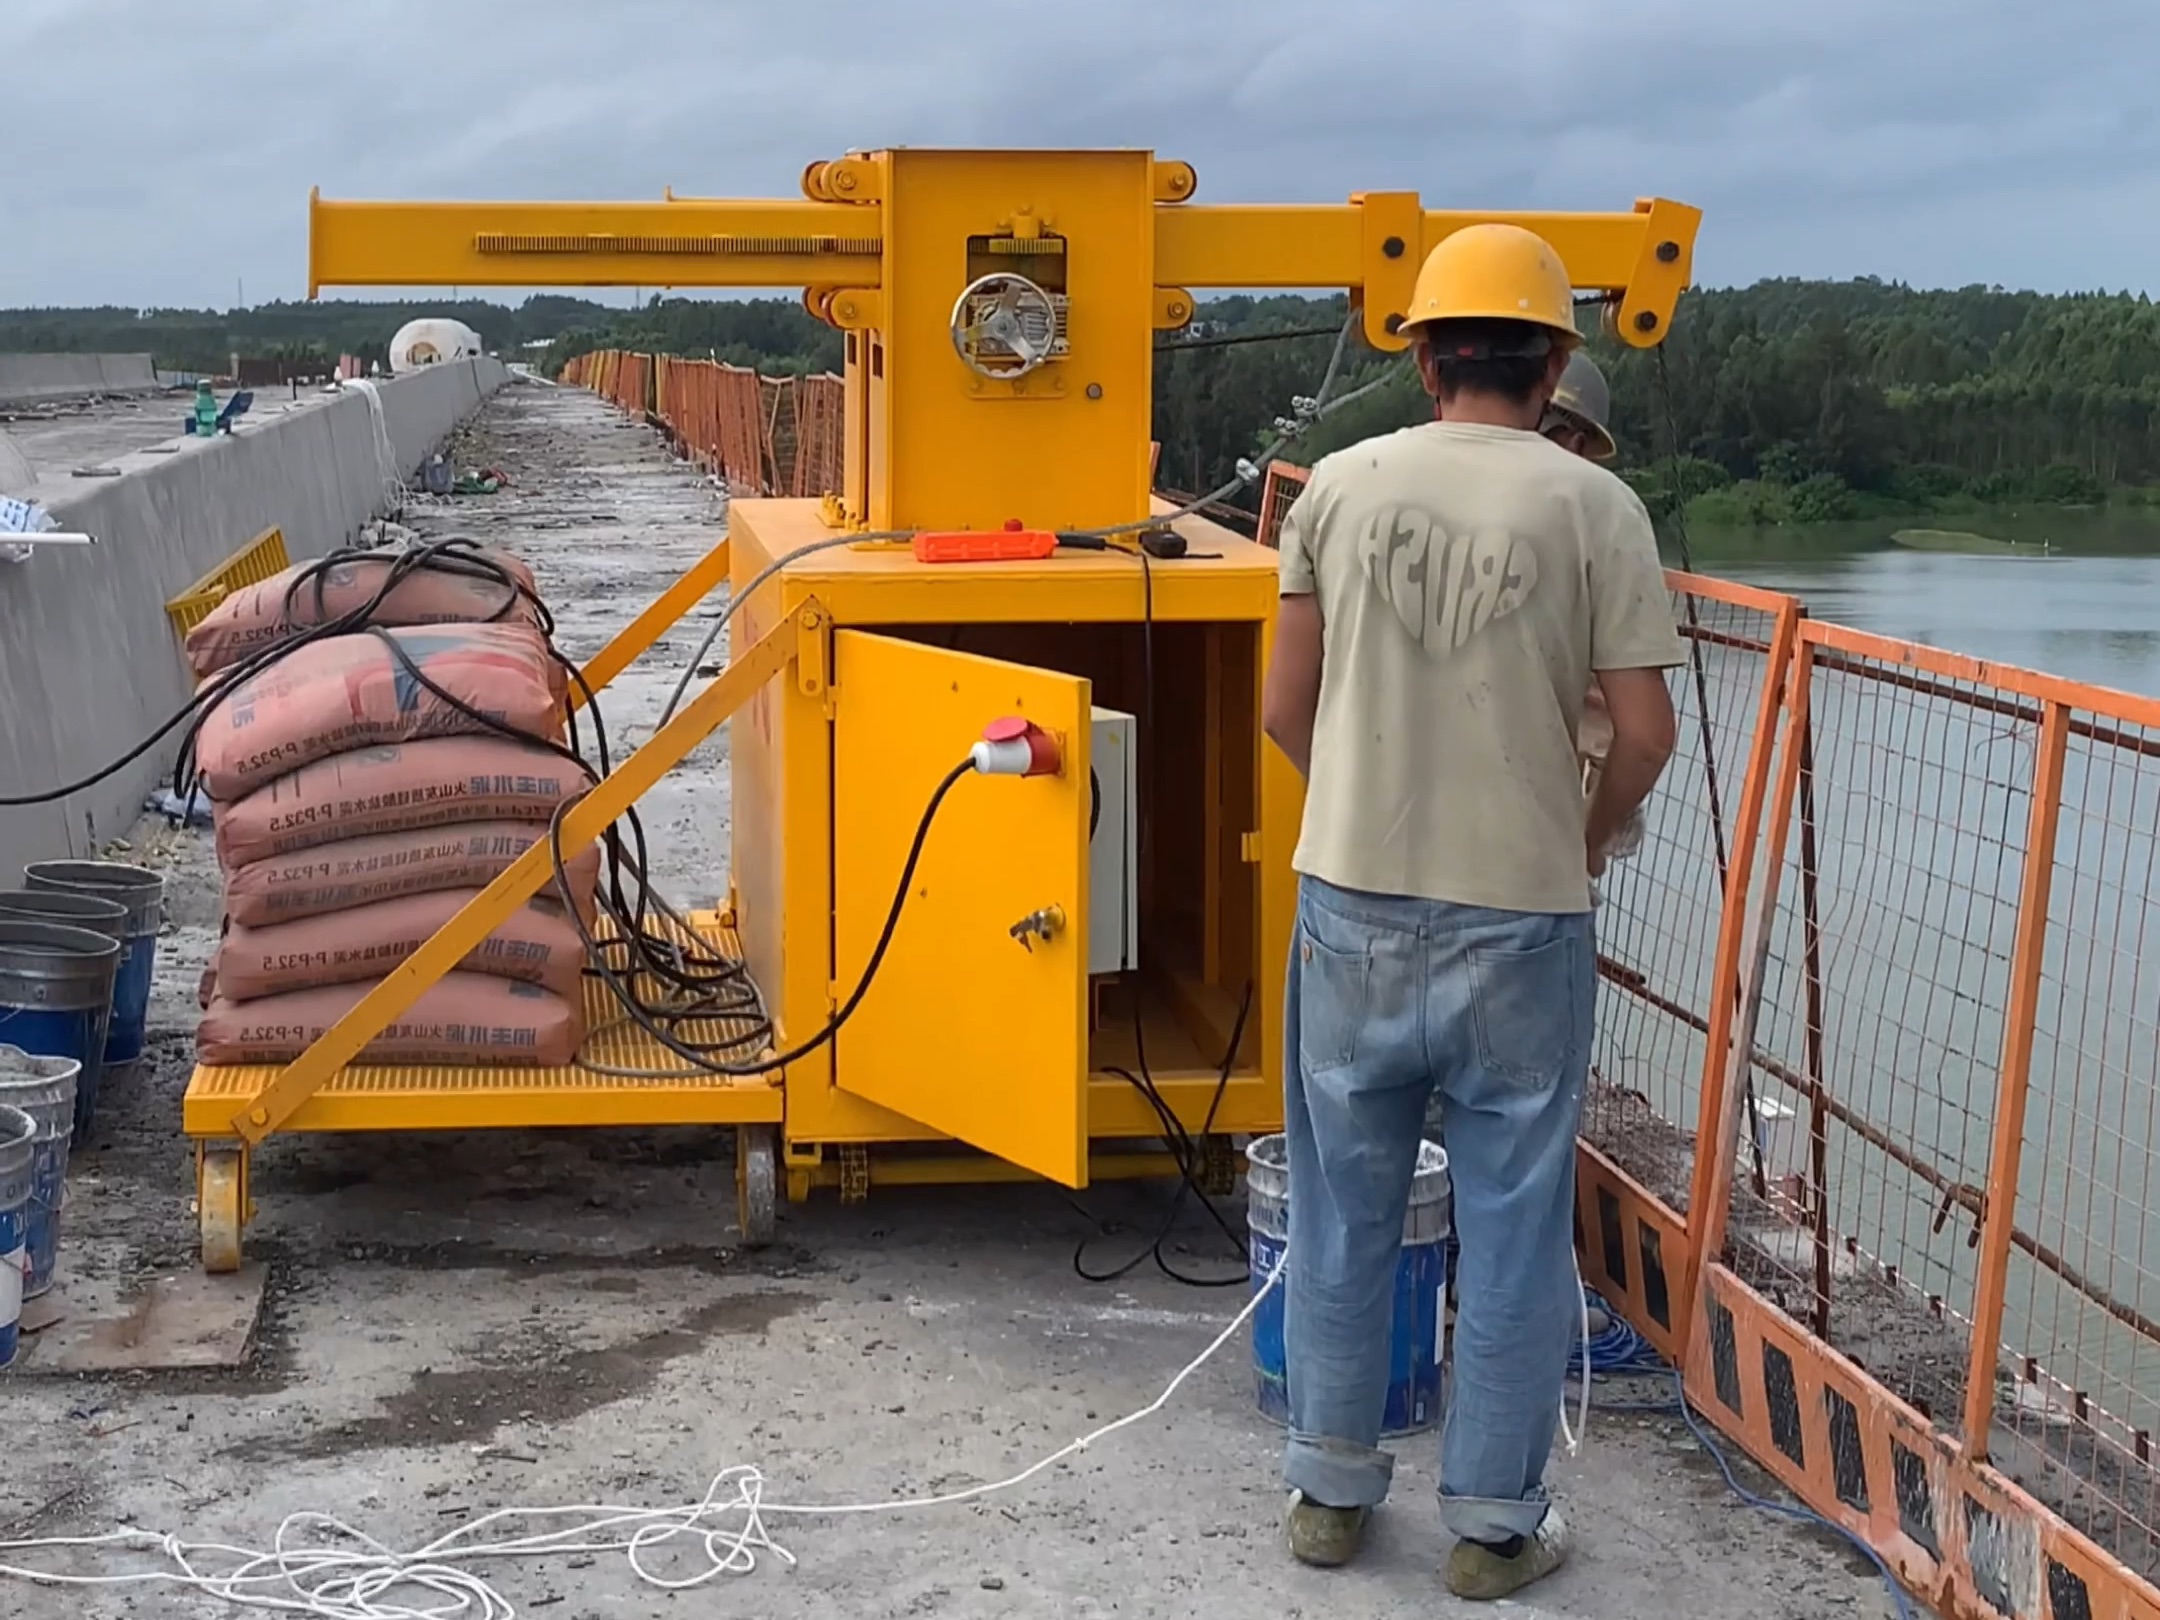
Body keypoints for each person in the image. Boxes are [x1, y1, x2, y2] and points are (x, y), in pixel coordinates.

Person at [1259, 223, 1683, 1601]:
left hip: (1354, 903)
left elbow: (1281, 704)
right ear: (1555, 359)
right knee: (1510, 1220)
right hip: (1524, 914)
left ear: (1426, 352)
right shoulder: (1594, 507)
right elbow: (1644, 729)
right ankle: (1493, 1527)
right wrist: (1584, 832)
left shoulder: (1336, 488)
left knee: (1342, 1204)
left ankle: (1330, 1492)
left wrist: (1360, 813)